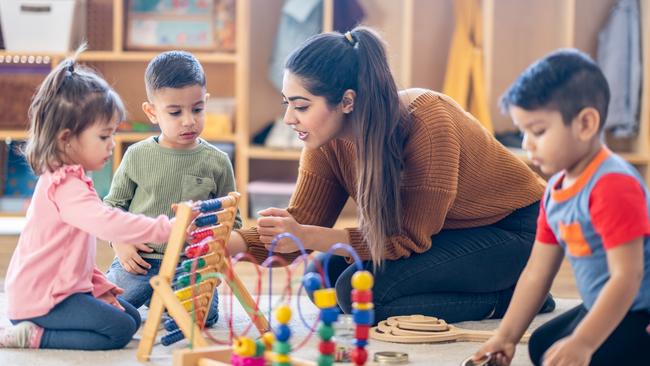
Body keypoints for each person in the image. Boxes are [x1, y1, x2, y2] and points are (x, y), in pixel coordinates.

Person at [228, 26, 554, 323]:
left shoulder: (428, 124)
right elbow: (299, 223)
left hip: (518, 231)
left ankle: (514, 299)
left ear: (347, 101)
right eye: (287, 103)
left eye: (301, 106)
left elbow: (406, 239)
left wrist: (309, 236)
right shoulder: (324, 141)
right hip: (447, 231)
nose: (288, 118)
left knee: (362, 299)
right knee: (323, 279)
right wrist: (230, 244)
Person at [472, 49, 650, 366]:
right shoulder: (555, 192)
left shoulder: (613, 184)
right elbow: (537, 274)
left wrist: (583, 342)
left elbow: (627, 276)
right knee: (544, 345)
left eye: (538, 131)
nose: (527, 143)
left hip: (640, 310)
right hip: (607, 304)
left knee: (586, 354)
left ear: (585, 124)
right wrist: (506, 336)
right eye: (523, 131)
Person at [0, 49, 175, 350]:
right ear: (66, 139)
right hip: (42, 300)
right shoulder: (65, 186)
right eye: (104, 137)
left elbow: (70, 251)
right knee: (119, 331)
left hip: (61, 289)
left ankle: (47, 324)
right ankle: (32, 336)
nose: (111, 145)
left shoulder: (73, 177)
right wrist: (164, 229)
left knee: (131, 318)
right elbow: (108, 223)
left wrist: (96, 283)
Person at [105, 51, 241, 328]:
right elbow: (110, 208)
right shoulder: (136, 155)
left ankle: (164, 300)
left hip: (189, 266)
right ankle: (155, 297)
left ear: (206, 103)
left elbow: (233, 221)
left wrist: (211, 251)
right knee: (106, 310)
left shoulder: (218, 161)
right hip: (139, 261)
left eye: (197, 109)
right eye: (175, 112)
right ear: (152, 112)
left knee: (199, 319)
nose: (189, 120)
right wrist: (120, 242)